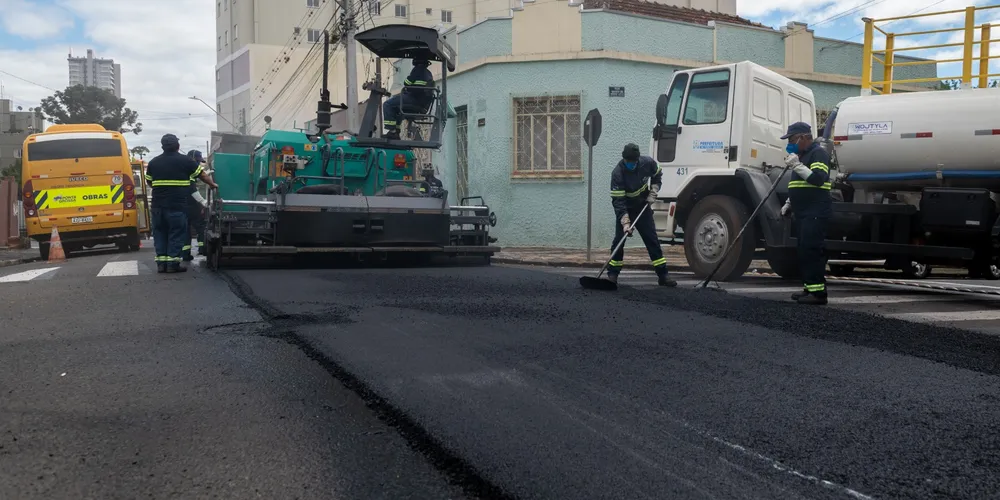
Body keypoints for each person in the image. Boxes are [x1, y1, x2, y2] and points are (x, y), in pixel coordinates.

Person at [145, 134, 218, 273]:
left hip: (157, 206)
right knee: (176, 233)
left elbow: (149, 181)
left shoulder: (154, 162)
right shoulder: (185, 161)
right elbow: (202, 175)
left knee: (160, 233)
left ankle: (161, 264)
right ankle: (172, 264)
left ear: (162, 146)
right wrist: (213, 184)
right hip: (176, 206)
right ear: (178, 146)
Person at [608, 143, 676, 287]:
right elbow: (618, 201)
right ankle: (612, 275)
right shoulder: (618, 174)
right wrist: (625, 222)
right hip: (626, 208)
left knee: (652, 240)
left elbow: (658, 174)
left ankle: (663, 275)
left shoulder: (647, 163)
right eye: (628, 162)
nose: (631, 165)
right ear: (624, 160)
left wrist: (654, 190)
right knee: (619, 241)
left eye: (634, 162)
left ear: (638, 160)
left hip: (643, 207)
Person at [779, 122, 832, 305]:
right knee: (804, 251)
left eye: (793, 139)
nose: (790, 144)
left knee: (812, 250)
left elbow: (818, 179)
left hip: (815, 211)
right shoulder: (801, 156)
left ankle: (818, 294)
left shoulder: (818, 153)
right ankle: (809, 288)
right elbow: (798, 186)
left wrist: (797, 166)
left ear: (804, 137)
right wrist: (788, 203)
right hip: (803, 212)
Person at [382, 59, 435, 140]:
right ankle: (395, 132)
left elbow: (407, 82)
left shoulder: (417, 70)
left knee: (388, 104)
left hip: (414, 100)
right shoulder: (429, 73)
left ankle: (393, 131)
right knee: (397, 109)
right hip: (422, 105)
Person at [182, 150, 211, 261]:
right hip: (191, 205)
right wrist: (203, 202)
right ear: (193, 159)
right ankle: (203, 249)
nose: (198, 164)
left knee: (185, 229)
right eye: (198, 161)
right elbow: (192, 190)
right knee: (200, 226)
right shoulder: (189, 169)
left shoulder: (184, 169)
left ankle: (185, 254)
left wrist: (208, 173)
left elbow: (198, 177)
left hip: (182, 204)